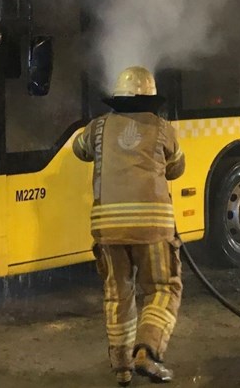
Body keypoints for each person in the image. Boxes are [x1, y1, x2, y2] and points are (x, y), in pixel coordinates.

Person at [73, 66, 186, 386]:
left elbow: (78, 151)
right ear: (151, 100)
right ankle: (147, 352)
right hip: (153, 228)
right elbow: (177, 168)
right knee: (163, 288)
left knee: (117, 293)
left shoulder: (96, 128)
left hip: (108, 228)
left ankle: (122, 368)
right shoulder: (163, 130)